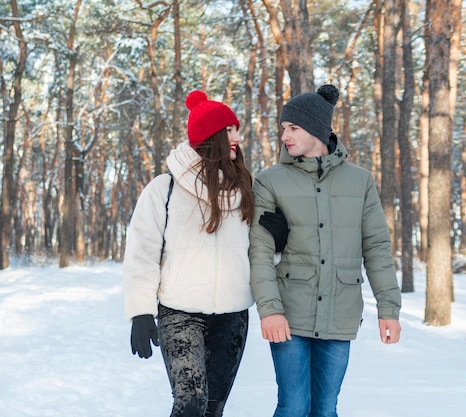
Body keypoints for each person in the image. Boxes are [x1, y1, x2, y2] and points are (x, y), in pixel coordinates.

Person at [123, 90, 287, 417]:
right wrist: (140, 312)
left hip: (233, 316)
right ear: (211, 136)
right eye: (229, 130)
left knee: (213, 408)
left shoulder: (246, 191)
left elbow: (255, 256)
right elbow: (141, 255)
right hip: (179, 312)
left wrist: (278, 244)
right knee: (190, 404)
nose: (238, 137)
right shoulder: (163, 190)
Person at [248, 84, 402, 417]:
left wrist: (389, 308)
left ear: (317, 129)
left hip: (340, 310)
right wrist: (269, 309)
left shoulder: (359, 181)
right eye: (283, 128)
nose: (285, 135)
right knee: (293, 406)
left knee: (326, 408)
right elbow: (259, 252)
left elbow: (376, 246)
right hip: (289, 312)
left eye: (293, 127)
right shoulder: (270, 180)